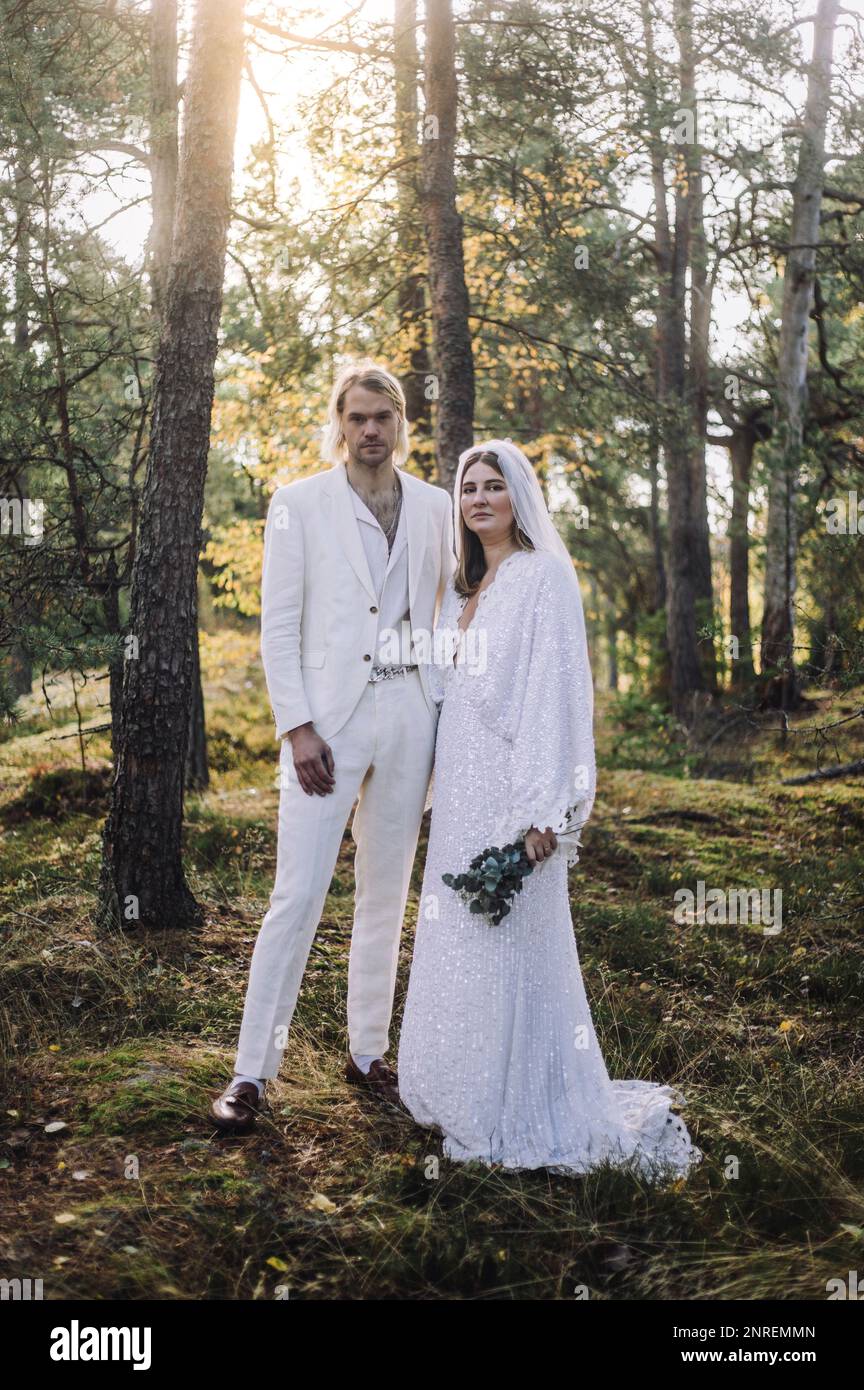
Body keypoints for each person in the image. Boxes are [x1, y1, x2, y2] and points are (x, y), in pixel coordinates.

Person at [398, 439, 703, 1180]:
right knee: (460, 932)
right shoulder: (467, 589)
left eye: (493, 486)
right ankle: (456, 1084)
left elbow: (558, 697)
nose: (477, 499)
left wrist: (547, 811)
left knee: (512, 941)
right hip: (460, 793)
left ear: (519, 498)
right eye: (467, 487)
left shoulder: (543, 579)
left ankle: (518, 1099)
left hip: (511, 793)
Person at [210, 361, 455, 1132]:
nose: (371, 430)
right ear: (340, 423)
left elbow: (442, 619)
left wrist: (442, 721)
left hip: (410, 717)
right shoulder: (298, 504)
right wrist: (297, 726)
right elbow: (278, 626)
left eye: (384, 416)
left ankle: (368, 1052)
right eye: (358, 417)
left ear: (402, 423)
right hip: (326, 728)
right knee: (297, 897)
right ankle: (251, 1072)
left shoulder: (436, 507)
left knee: (386, 895)